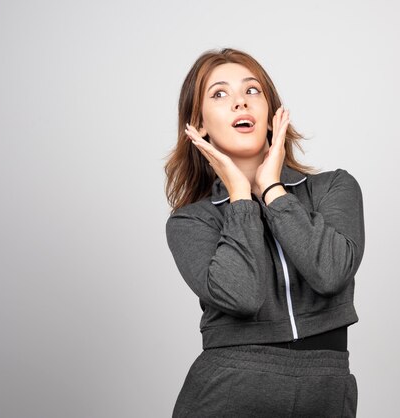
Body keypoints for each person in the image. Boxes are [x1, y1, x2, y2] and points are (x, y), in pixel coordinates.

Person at [164, 47, 365, 417]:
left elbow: (331, 272)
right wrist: (240, 199)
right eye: (219, 94)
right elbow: (241, 297)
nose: (240, 102)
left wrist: (272, 189)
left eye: (252, 90)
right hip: (228, 390)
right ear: (200, 124)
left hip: (325, 389)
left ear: (272, 113)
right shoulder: (192, 222)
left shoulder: (334, 188)